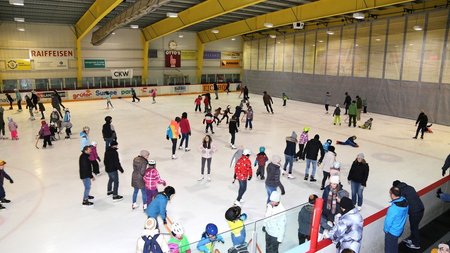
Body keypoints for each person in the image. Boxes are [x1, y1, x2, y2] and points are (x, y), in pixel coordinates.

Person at [393, 180, 424, 250]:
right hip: (421, 208)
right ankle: (412, 239)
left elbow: (401, 203)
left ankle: (416, 244)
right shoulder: (410, 187)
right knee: (414, 226)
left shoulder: (401, 192)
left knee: (414, 227)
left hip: (415, 212)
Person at [384, 187, 409, 253]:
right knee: (394, 246)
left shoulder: (393, 208)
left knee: (388, 249)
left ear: (392, 195)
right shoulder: (405, 201)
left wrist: (386, 230)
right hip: (399, 229)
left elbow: (388, 222)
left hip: (392, 232)